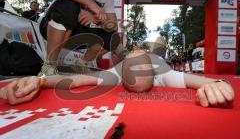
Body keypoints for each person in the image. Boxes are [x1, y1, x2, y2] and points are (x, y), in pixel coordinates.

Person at [0, 50, 234, 108]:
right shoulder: (117, 72)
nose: (136, 51)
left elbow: (214, 83)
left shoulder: (166, 75)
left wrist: (218, 89)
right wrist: (37, 79)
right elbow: (74, 79)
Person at [30, 0, 126, 76]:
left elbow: (113, 27)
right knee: (69, 4)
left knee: (110, 34)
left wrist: (96, 18)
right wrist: (89, 3)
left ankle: (82, 65)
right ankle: (50, 66)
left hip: (75, 34)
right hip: (50, 26)